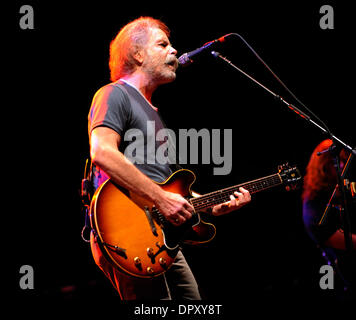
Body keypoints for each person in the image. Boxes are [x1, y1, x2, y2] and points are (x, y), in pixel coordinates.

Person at [87, 16, 251, 300]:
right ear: (137, 54)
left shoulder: (153, 113)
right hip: (127, 234)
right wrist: (161, 200)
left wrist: (211, 205)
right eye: (163, 44)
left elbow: (163, 184)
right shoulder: (114, 94)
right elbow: (102, 151)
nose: (174, 50)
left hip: (157, 237)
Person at [302, 139, 355, 297]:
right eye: (337, 162)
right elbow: (329, 235)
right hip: (340, 274)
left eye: (344, 162)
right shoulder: (314, 201)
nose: (341, 167)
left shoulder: (343, 188)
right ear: (324, 166)